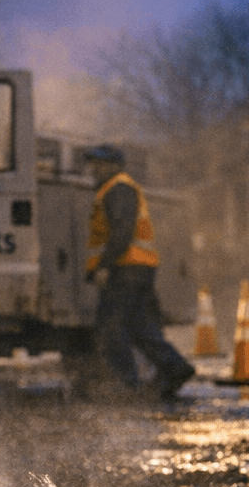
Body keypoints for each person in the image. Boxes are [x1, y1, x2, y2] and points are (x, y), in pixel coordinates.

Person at [84, 145, 195, 400]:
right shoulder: (118, 188)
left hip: (125, 269)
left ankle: (124, 385)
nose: (94, 169)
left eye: (99, 164)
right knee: (139, 326)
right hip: (138, 268)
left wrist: (104, 265)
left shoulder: (118, 188)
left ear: (113, 165)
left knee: (111, 324)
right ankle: (176, 368)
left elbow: (122, 230)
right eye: (93, 164)